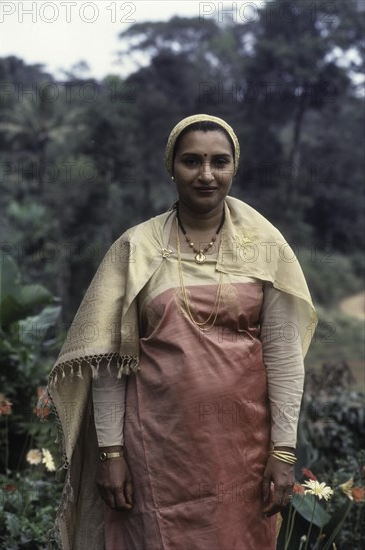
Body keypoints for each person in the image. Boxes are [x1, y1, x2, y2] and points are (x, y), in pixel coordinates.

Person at [45, 114, 317, 550]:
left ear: (234, 167)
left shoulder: (266, 248)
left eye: (219, 162)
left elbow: (283, 356)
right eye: (192, 161)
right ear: (171, 168)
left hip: (242, 451)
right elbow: (112, 362)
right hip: (156, 451)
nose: (206, 174)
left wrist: (283, 452)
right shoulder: (136, 249)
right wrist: (111, 453)